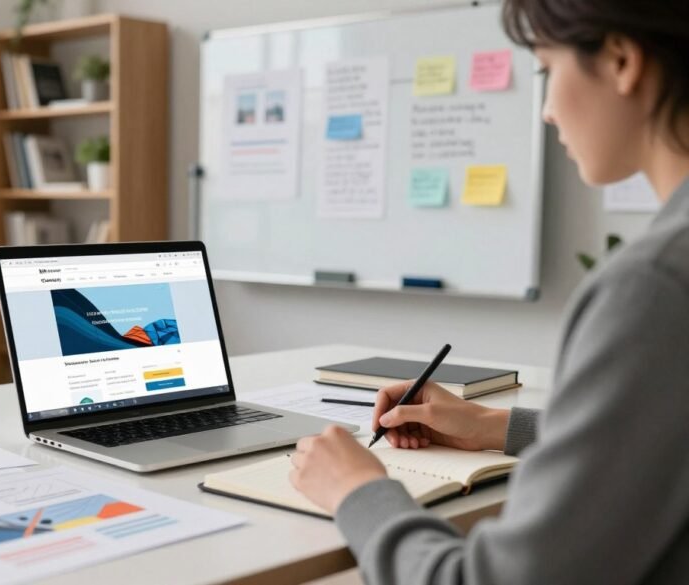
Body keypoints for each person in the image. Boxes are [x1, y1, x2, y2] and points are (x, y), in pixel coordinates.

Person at [289, 1, 689, 583]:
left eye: (548, 69)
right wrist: (495, 426)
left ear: (622, 61)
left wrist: (357, 490)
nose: (548, 112)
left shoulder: (655, 286)